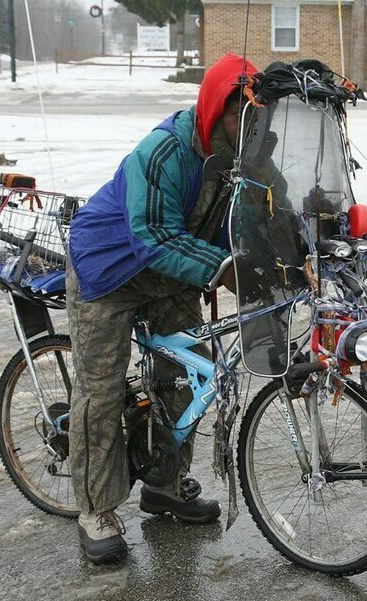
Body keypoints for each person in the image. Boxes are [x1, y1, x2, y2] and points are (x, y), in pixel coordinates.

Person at [65, 53, 257, 564]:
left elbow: (261, 216)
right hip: (109, 271)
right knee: (100, 392)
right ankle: (95, 509)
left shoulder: (243, 160)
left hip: (173, 273)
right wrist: (225, 267)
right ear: (215, 110)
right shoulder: (164, 152)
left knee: (189, 373)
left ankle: (165, 485)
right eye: (238, 113)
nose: (247, 125)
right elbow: (152, 236)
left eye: (254, 115)